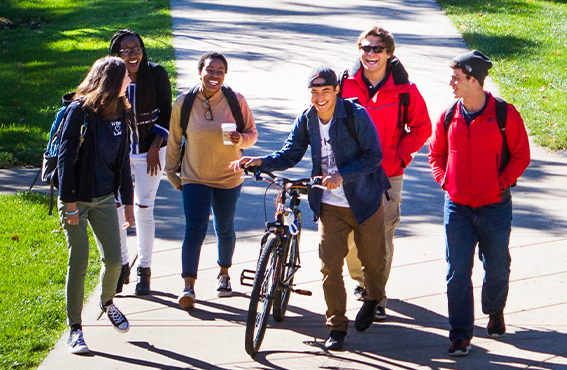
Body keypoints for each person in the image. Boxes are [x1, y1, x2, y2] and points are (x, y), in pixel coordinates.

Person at [230, 66, 390, 351]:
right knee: (329, 266)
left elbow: (374, 156)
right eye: (314, 92)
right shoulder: (306, 119)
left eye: (325, 91)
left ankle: (373, 298)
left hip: (364, 200)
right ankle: (337, 327)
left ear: (336, 91)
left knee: (374, 263)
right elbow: (290, 153)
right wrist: (260, 161)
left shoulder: (355, 115)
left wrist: (343, 174)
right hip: (329, 205)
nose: (319, 98)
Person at [428, 50, 530, 356]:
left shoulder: (504, 114)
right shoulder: (449, 116)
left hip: (495, 206)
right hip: (457, 207)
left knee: (497, 266)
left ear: (474, 81)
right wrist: (446, 181)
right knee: (457, 271)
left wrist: (498, 183)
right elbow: (435, 155)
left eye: (457, 78)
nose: (451, 83)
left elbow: (521, 155)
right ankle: (460, 333)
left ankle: (494, 309)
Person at [340, 26, 432, 319]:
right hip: (352, 173)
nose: (370, 54)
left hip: (388, 173)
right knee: (352, 238)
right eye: (365, 48)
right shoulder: (344, 85)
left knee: (382, 236)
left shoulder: (405, 89)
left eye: (377, 49)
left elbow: (422, 128)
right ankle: (361, 281)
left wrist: (400, 157)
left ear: (389, 53)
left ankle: (376, 295)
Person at [164, 52, 257, 309]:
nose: (214, 75)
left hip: (229, 177)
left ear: (225, 75)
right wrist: (172, 173)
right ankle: (188, 287)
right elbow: (174, 141)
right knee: (194, 229)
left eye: (220, 71)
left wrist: (242, 139)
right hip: (195, 176)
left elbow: (252, 134)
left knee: (224, 228)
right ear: (200, 72)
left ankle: (224, 274)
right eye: (210, 70)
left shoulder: (235, 101)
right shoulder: (184, 102)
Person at [58, 56, 134, 355]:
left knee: (115, 261)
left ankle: (106, 302)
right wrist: (70, 203)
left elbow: (124, 160)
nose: (130, 80)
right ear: (112, 80)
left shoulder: (121, 112)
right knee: (79, 263)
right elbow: (64, 159)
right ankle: (75, 328)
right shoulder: (80, 111)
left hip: (105, 198)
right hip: (77, 199)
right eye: (126, 76)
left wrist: (127, 202)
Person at [109, 29, 172, 296]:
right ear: (116, 53)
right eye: (126, 50)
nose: (133, 55)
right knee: (118, 209)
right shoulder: (109, 76)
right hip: (117, 156)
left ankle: (143, 270)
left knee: (143, 208)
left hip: (150, 153)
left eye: (137, 49)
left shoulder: (156, 74)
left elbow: (167, 113)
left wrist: (155, 146)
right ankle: (123, 263)